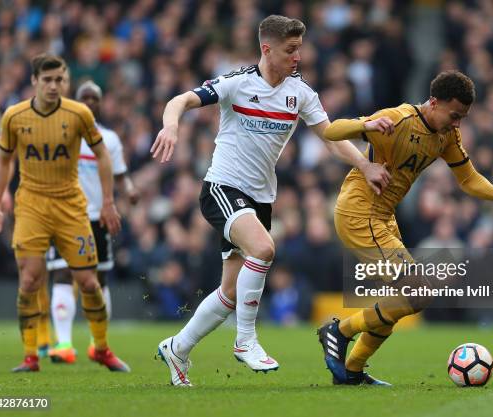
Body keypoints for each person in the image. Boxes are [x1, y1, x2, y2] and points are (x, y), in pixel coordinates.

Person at [151, 15, 390, 386]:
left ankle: (177, 348)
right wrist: (171, 124)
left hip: (261, 198)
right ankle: (245, 341)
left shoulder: (301, 93)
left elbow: (329, 134)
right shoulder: (236, 83)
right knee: (263, 249)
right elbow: (179, 100)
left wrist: (363, 162)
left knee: (230, 293)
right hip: (222, 188)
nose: (298, 56)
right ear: (267, 48)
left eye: (299, 48)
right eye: (290, 49)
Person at [317, 70, 493, 385]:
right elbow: (332, 131)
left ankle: (353, 370)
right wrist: (366, 125)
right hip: (359, 213)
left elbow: (468, 178)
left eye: (463, 118)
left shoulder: (447, 136)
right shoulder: (398, 119)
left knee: (400, 300)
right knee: (418, 291)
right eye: (454, 115)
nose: (457, 123)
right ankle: (339, 331)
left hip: (384, 217)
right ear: (434, 102)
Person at [0, 53, 130, 372]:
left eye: (60, 80)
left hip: (70, 206)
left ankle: (102, 348)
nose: (54, 86)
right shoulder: (14, 116)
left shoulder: (78, 113)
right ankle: (30, 356)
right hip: (32, 206)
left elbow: (103, 156)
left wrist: (108, 201)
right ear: (34, 81)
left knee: (89, 283)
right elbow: (4, 161)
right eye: (48, 80)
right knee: (30, 280)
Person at [46, 80, 140, 364]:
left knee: (99, 280)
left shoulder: (109, 139)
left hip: (99, 217)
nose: (89, 102)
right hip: (66, 216)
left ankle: (98, 344)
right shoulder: (62, 132)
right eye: (84, 97)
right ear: (76, 101)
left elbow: (120, 174)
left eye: (94, 98)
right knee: (63, 274)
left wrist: (131, 189)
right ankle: (63, 344)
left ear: (100, 103)